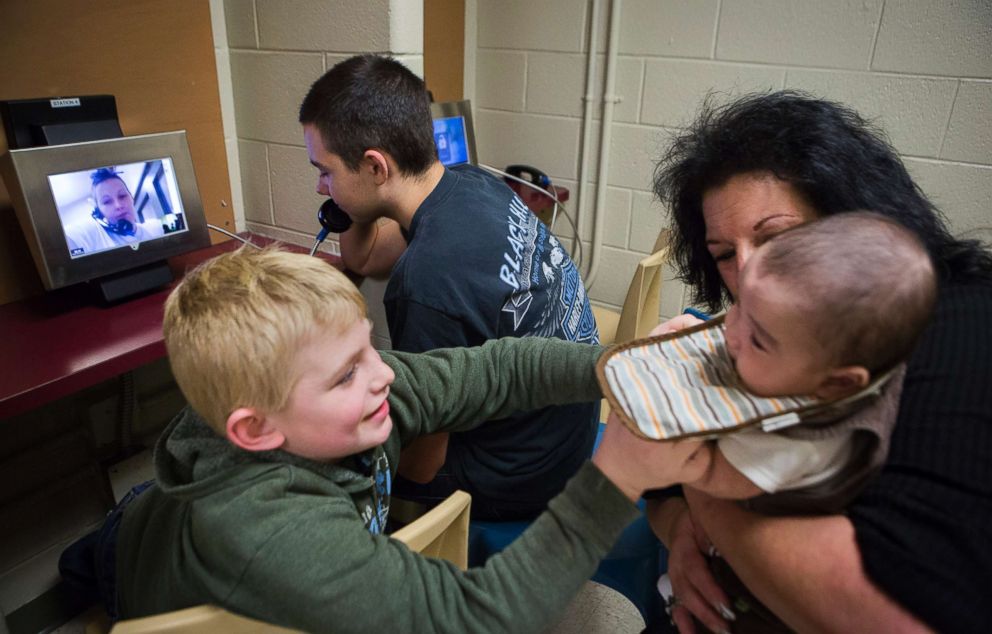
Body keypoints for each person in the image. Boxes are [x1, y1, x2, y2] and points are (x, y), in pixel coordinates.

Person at [111, 245, 702, 632]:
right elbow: (477, 621)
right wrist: (618, 477)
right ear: (257, 428)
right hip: (145, 567)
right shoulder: (270, 530)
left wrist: (621, 367)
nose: (385, 373)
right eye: (346, 373)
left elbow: (498, 371)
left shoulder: (358, 396)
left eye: (369, 346)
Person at [645, 91, 992, 633]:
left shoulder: (959, 332)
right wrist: (682, 532)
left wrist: (702, 480)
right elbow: (660, 489)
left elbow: (893, 612)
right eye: (724, 255)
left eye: (779, 237)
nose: (751, 275)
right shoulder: (768, 331)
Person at [297, 54, 600, 520]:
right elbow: (364, 257)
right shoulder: (471, 182)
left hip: (523, 474)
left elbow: (424, 460)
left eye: (325, 171)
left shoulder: (424, 284)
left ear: (377, 167)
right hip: (566, 433)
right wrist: (353, 210)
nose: (320, 187)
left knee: (325, 458)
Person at [610, 212, 936, 508]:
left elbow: (711, 473)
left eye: (757, 340)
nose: (730, 332)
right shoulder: (783, 334)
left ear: (836, 382)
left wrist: (662, 433)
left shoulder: (803, 441)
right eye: (738, 306)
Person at [63, 167, 164, 255]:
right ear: (99, 211)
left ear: (131, 197)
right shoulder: (93, 234)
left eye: (122, 196)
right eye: (107, 202)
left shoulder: (156, 227)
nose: (118, 206)